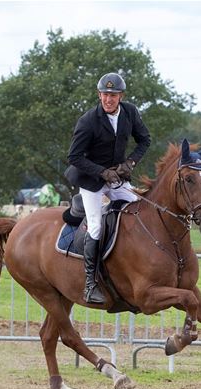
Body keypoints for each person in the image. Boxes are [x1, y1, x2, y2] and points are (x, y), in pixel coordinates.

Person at [64, 72, 151, 304]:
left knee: (139, 211)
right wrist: (102, 172)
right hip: (92, 182)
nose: (108, 99)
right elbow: (74, 156)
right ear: (99, 95)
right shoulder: (88, 120)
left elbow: (145, 140)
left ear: (120, 96)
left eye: (112, 95)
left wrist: (129, 163)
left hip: (117, 180)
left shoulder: (130, 112)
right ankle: (90, 285)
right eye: (104, 94)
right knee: (95, 227)